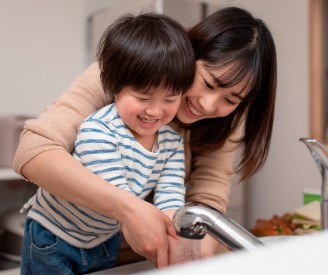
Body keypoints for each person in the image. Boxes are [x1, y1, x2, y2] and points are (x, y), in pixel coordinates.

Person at [13, 6, 277, 269]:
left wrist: (190, 254)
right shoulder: (130, 69)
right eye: (208, 83)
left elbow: (208, 191)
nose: (209, 105)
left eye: (231, 99)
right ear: (189, 56)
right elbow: (34, 150)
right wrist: (128, 210)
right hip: (69, 238)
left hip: (141, 253)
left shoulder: (209, 126)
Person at [18, 12, 195, 274]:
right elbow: (120, 197)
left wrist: (174, 234)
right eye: (143, 97)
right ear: (114, 86)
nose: (156, 111)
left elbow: (170, 195)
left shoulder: (171, 143)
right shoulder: (99, 129)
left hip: (103, 239)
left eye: (170, 100)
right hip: (55, 236)